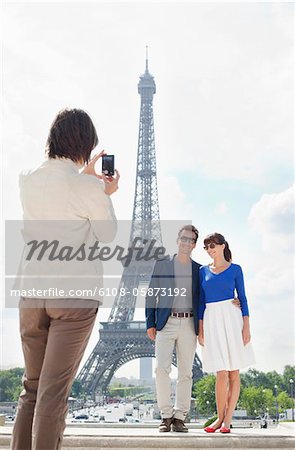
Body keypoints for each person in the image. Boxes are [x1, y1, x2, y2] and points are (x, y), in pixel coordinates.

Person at [11, 108, 120, 450]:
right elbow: (106, 233)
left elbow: (58, 196)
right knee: (53, 392)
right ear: (86, 144)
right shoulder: (87, 187)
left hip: (31, 292)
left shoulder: (27, 177)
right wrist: (104, 192)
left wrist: (85, 179)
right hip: (74, 295)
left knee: (32, 387)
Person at [198, 232, 255, 434]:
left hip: (232, 319)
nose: (209, 250)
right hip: (212, 319)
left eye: (212, 245)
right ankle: (219, 417)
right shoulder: (202, 271)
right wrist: (200, 328)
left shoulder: (236, 269)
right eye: (206, 247)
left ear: (223, 246)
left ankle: (227, 419)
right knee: (220, 373)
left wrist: (246, 326)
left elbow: (243, 298)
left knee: (233, 372)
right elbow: (200, 302)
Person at [145, 225, 200, 433]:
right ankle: (166, 415)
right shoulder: (162, 265)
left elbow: (204, 299)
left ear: (194, 244)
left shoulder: (198, 269)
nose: (187, 243)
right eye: (184, 238)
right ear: (177, 240)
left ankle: (180, 417)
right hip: (166, 322)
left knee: (186, 372)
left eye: (191, 240)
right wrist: (150, 322)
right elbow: (151, 294)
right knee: (161, 369)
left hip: (188, 323)